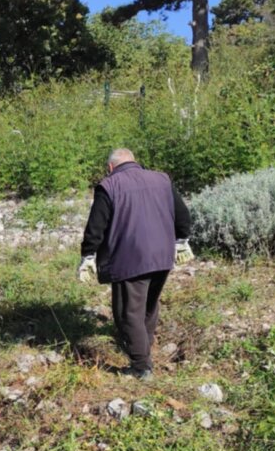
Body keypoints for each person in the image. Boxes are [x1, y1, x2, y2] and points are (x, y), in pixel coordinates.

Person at [78, 149, 193, 380]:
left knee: (128, 312)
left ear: (111, 167)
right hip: (163, 255)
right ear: (134, 161)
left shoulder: (108, 185)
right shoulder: (162, 179)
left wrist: (88, 254)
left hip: (129, 258)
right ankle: (143, 347)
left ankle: (141, 367)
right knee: (149, 305)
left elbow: (96, 225)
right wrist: (182, 239)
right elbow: (182, 214)